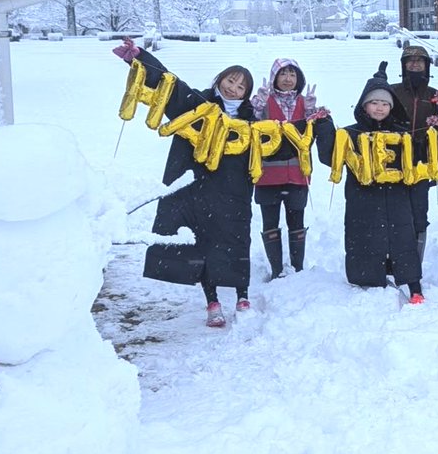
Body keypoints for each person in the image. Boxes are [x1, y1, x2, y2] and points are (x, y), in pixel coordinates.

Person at [115, 37, 256, 328]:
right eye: (230, 81)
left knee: (235, 240)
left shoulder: (253, 120)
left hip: (234, 190)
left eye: (241, 86)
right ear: (220, 80)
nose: (233, 88)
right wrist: (140, 58)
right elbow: (171, 87)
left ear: (246, 94)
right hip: (198, 187)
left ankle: (243, 295)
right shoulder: (198, 103)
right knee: (202, 240)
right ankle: (212, 301)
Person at [323, 61, 425, 303]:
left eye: (384, 104)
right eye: (374, 103)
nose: (379, 108)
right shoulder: (351, 133)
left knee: (403, 237)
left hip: (397, 195)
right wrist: (324, 126)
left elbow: (417, 159)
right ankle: (367, 278)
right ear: (364, 106)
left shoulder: (402, 133)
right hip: (363, 197)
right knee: (365, 236)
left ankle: (413, 283)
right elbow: (331, 157)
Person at [250, 58, 334, 279]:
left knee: (296, 219)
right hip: (267, 174)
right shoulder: (264, 102)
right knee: (270, 220)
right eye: (283, 73)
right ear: (274, 77)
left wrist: (313, 113)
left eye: (292, 74)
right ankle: (276, 269)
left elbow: (315, 132)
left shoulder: (304, 104)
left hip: (297, 174)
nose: (287, 79)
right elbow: (249, 126)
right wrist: (257, 105)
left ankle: (297, 268)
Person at [389, 44, 438, 262]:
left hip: (424, 163)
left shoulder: (436, 96)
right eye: (410, 60)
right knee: (395, 214)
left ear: (426, 66)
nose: (415, 64)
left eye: (420, 61)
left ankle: (414, 261)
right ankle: (393, 259)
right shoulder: (392, 91)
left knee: (418, 214)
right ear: (404, 65)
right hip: (393, 162)